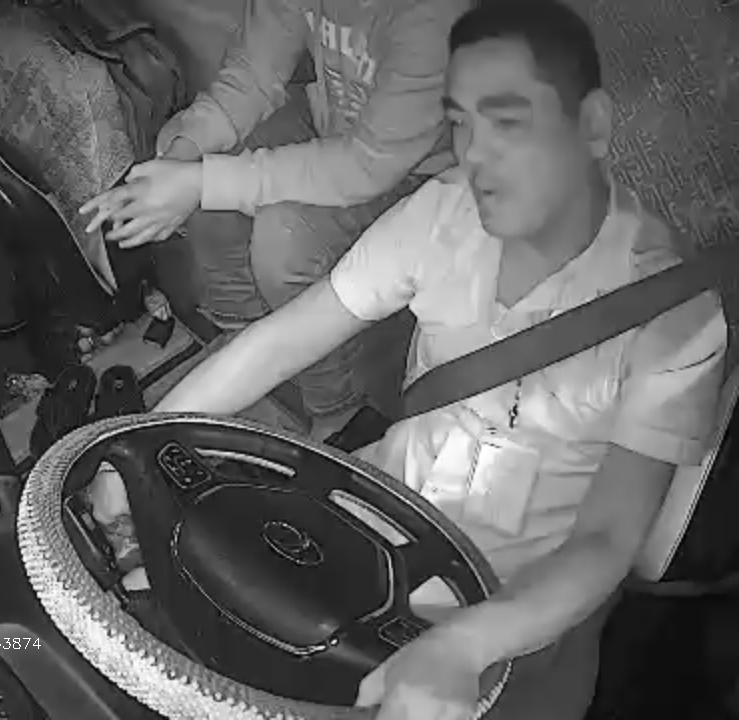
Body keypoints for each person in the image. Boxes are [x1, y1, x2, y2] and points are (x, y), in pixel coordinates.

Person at [85, 1, 728, 718]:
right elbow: (283, 340)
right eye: (462, 125)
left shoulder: (673, 316)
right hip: (375, 522)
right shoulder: (446, 211)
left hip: (509, 614)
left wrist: (463, 647)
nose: (479, 157)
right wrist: (137, 443)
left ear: (593, 125)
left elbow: (608, 541)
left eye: (509, 122)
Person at [80, 0, 472, 427]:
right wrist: (177, 164)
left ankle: (336, 409)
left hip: (412, 168)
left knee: (284, 237)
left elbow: (367, 164)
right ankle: (241, 335)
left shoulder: (433, 14)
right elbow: (252, 74)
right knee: (193, 155)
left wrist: (201, 183)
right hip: (331, 126)